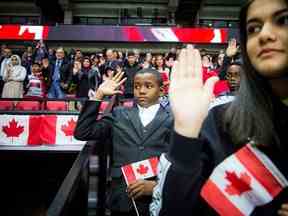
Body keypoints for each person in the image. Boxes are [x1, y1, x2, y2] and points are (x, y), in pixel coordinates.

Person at [158, 0, 288, 215]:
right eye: (253, 28)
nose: (264, 35)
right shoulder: (221, 121)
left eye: (283, 20)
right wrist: (185, 133)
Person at [74, 68, 173, 216]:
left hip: (156, 201)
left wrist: (157, 187)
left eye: (148, 86)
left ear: (161, 90)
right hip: (121, 199)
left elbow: (181, 163)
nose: (142, 91)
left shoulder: (173, 119)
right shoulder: (118, 114)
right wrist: (99, 94)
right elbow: (83, 132)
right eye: (137, 86)